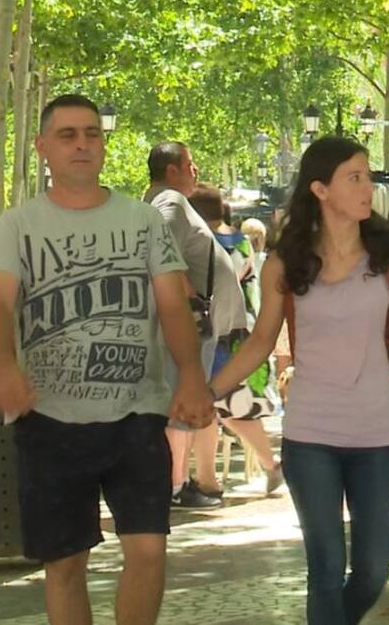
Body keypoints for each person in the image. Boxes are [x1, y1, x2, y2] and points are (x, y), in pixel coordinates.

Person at [0, 94, 214, 625]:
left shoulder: (142, 220)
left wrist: (194, 377)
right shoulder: (18, 225)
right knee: (64, 565)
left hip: (136, 412)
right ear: (42, 147)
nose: (82, 144)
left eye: (91, 134)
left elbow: (172, 303)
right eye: (67, 135)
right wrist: (5, 370)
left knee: (150, 551)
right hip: (48, 419)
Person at [207, 136, 389, 624]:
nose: (367, 187)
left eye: (368, 177)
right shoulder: (285, 262)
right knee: (326, 568)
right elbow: (260, 341)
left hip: (376, 431)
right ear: (320, 189)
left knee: (374, 569)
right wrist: (207, 393)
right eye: (354, 177)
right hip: (311, 434)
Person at [145, 142, 249, 507]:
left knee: (186, 403)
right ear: (172, 170)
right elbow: (162, 252)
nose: (196, 172)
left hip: (193, 323)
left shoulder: (168, 203)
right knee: (182, 403)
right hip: (188, 325)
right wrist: (191, 304)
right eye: (190, 165)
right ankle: (172, 487)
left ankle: (176, 482)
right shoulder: (170, 204)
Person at [187, 184, 283, 494]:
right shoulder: (241, 242)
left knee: (216, 405)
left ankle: (209, 479)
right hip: (241, 333)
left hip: (224, 336)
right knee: (225, 408)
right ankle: (215, 475)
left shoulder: (211, 244)